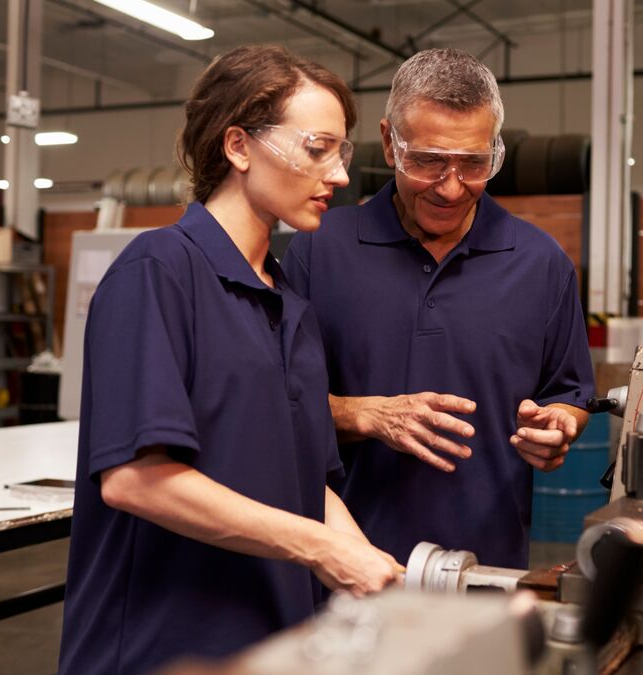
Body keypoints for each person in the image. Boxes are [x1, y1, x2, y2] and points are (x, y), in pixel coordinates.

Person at [58, 46, 401, 674]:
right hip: (159, 650)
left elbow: (310, 485)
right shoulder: (157, 272)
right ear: (239, 147)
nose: (340, 176)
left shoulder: (289, 303)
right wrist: (322, 549)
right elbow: (136, 479)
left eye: (341, 153)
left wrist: (375, 576)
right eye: (318, 148)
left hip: (270, 647)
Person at [282, 48, 595, 570]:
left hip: (488, 570)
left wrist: (558, 426)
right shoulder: (320, 250)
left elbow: (569, 393)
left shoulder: (541, 264)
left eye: (474, 164)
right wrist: (364, 414)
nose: (451, 188)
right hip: (344, 565)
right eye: (427, 161)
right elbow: (276, 400)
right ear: (389, 143)